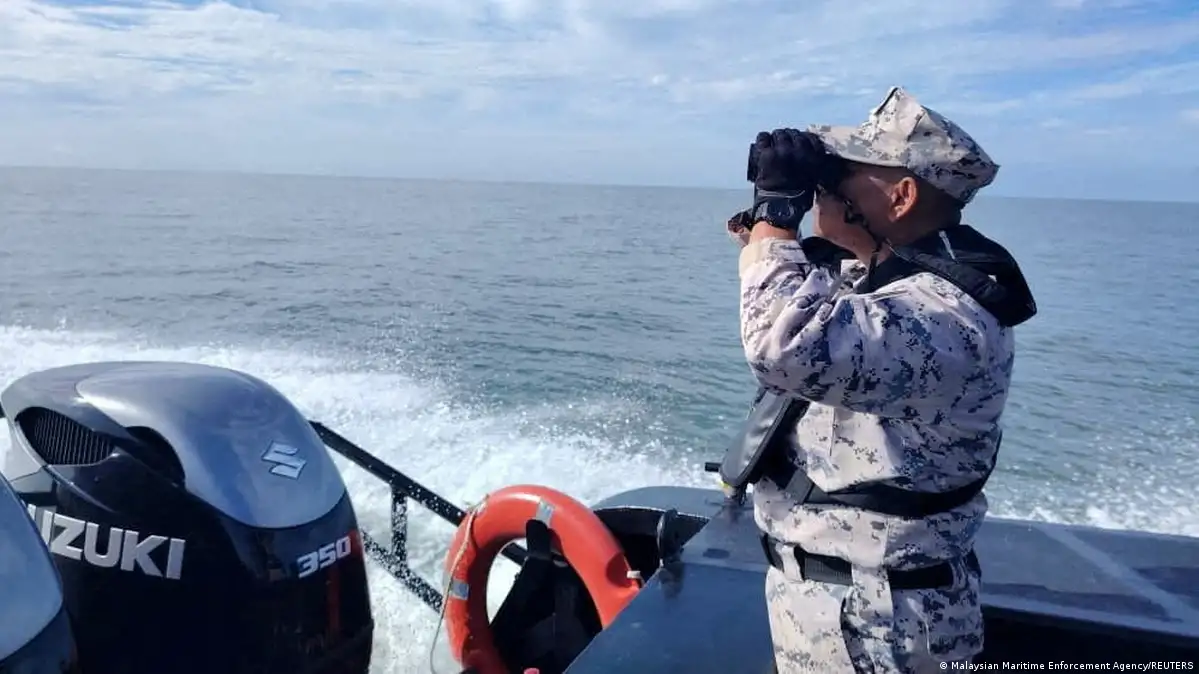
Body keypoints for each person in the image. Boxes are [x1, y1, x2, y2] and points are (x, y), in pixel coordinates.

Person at [725, 86, 1037, 672]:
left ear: (901, 195)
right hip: (841, 606)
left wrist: (777, 212)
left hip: (881, 627)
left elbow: (782, 344)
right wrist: (773, 219)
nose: (826, 184)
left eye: (841, 172)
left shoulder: (946, 313)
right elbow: (790, 279)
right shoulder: (883, 281)